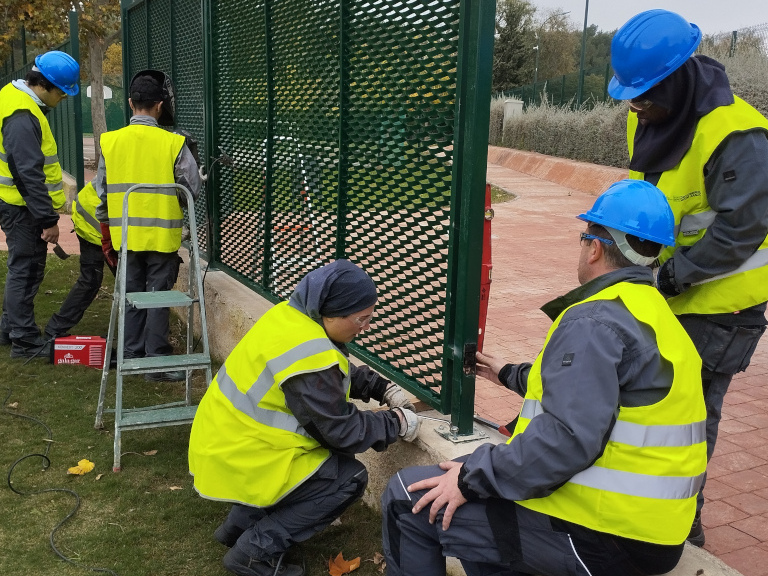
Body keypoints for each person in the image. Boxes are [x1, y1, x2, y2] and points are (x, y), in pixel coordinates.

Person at [381, 180, 707, 576]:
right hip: (656, 530)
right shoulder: (656, 316)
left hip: (604, 533)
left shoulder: (594, 320)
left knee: (408, 499)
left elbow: (565, 438)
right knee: (479, 502)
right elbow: (601, 392)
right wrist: (509, 374)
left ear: (595, 247)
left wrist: (470, 480)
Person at [607, 9, 768, 546]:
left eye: (647, 93)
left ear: (679, 76)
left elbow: (741, 230)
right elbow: (652, 200)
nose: (637, 106)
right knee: (647, 404)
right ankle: (640, 507)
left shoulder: (737, 133)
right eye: (631, 95)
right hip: (666, 294)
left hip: (720, 308)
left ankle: (682, 527)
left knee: (691, 418)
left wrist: (671, 277)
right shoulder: (650, 114)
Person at [189, 259, 421, 576]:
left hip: (228, 443)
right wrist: (397, 423)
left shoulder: (293, 317)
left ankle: (238, 528)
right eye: (361, 319)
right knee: (348, 479)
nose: (365, 326)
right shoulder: (307, 349)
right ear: (332, 312)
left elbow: (327, 375)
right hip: (245, 453)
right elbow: (341, 430)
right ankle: (253, 553)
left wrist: (379, 386)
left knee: (322, 463)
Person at [93, 69, 201, 381]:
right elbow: (191, 187)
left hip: (125, 236)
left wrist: (106, 225)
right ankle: (157, 364)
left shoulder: (110, 142)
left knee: (130, 295)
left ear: (130, 103)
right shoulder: (173, 143)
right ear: (159, 105)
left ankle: (130, 356)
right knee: (158, 297)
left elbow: (102, 191)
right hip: (161, 236)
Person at [0, 50, 80, 358]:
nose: (64, 98)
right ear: (45, 85)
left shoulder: (14, 97)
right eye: (63, 91)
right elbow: (28, 174)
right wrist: (48, 220)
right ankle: (24, 340)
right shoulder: (23, 116)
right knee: (27, 270)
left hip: (17, 204)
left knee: (23, 268)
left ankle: (10, 329)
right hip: (23, 209)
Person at [43, 181, 114, 339]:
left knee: (93, 280)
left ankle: (55, 328)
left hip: (91, 210)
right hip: (96, 218)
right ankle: (140, 335)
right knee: (94, 280)